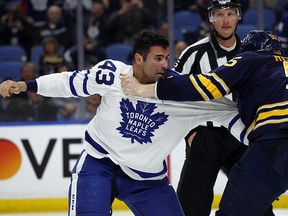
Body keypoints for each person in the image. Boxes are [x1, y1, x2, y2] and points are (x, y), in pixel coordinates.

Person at [0, 30, 245, 216]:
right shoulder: (112, 74)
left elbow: (228, 112)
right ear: (138, 58)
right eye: (157, 58)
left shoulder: (182, 93)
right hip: (98, 165)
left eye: (166, 58)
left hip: (146, 179)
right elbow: (69, 82)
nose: (165, 65)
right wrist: (26, 85)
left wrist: (264, 138)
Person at [121, 30, 288, 216]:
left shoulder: (252, 59)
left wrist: (147, 90)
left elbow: (207, 85)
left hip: (274, 140)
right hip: (245, 141)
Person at [172, 1, 263, 216]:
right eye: (220, 14)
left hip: (240, 137)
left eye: (230, 14)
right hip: (205, 137)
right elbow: (173, 93)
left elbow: (261, 95)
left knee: (256, 200)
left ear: (238, 17)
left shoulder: (252, 54)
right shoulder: (193, 53)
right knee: (190, 204)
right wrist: (188, 132)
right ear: (211, 18)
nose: (225, 20)